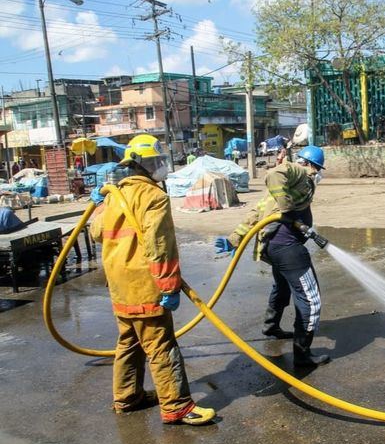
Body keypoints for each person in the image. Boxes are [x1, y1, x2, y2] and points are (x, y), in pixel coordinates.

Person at [90, 134, 215, 426]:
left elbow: (96, 233)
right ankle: (177, 406)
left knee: (129, 343)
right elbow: (160, 247)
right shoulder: (154, 197)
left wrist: (99, 205)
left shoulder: (113, 195)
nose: (160, 166)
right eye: (157, 161)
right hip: (145, 286)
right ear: (145, 165)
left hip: (120, 287)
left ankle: (127, 397)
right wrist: (169, 286)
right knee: (161, 345)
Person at [215, 146, 329, 367]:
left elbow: (257, 212)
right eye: (316, 168)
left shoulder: (287, 187)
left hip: (271, 246)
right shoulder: (300, 172)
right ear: (308, 164)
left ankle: (271, 326)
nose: (317, 173)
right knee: (311, 301)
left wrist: (234, 238)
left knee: (283, 286)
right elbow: (275, 172)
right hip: (287, 247)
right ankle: (303, 357)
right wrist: (287, 208)